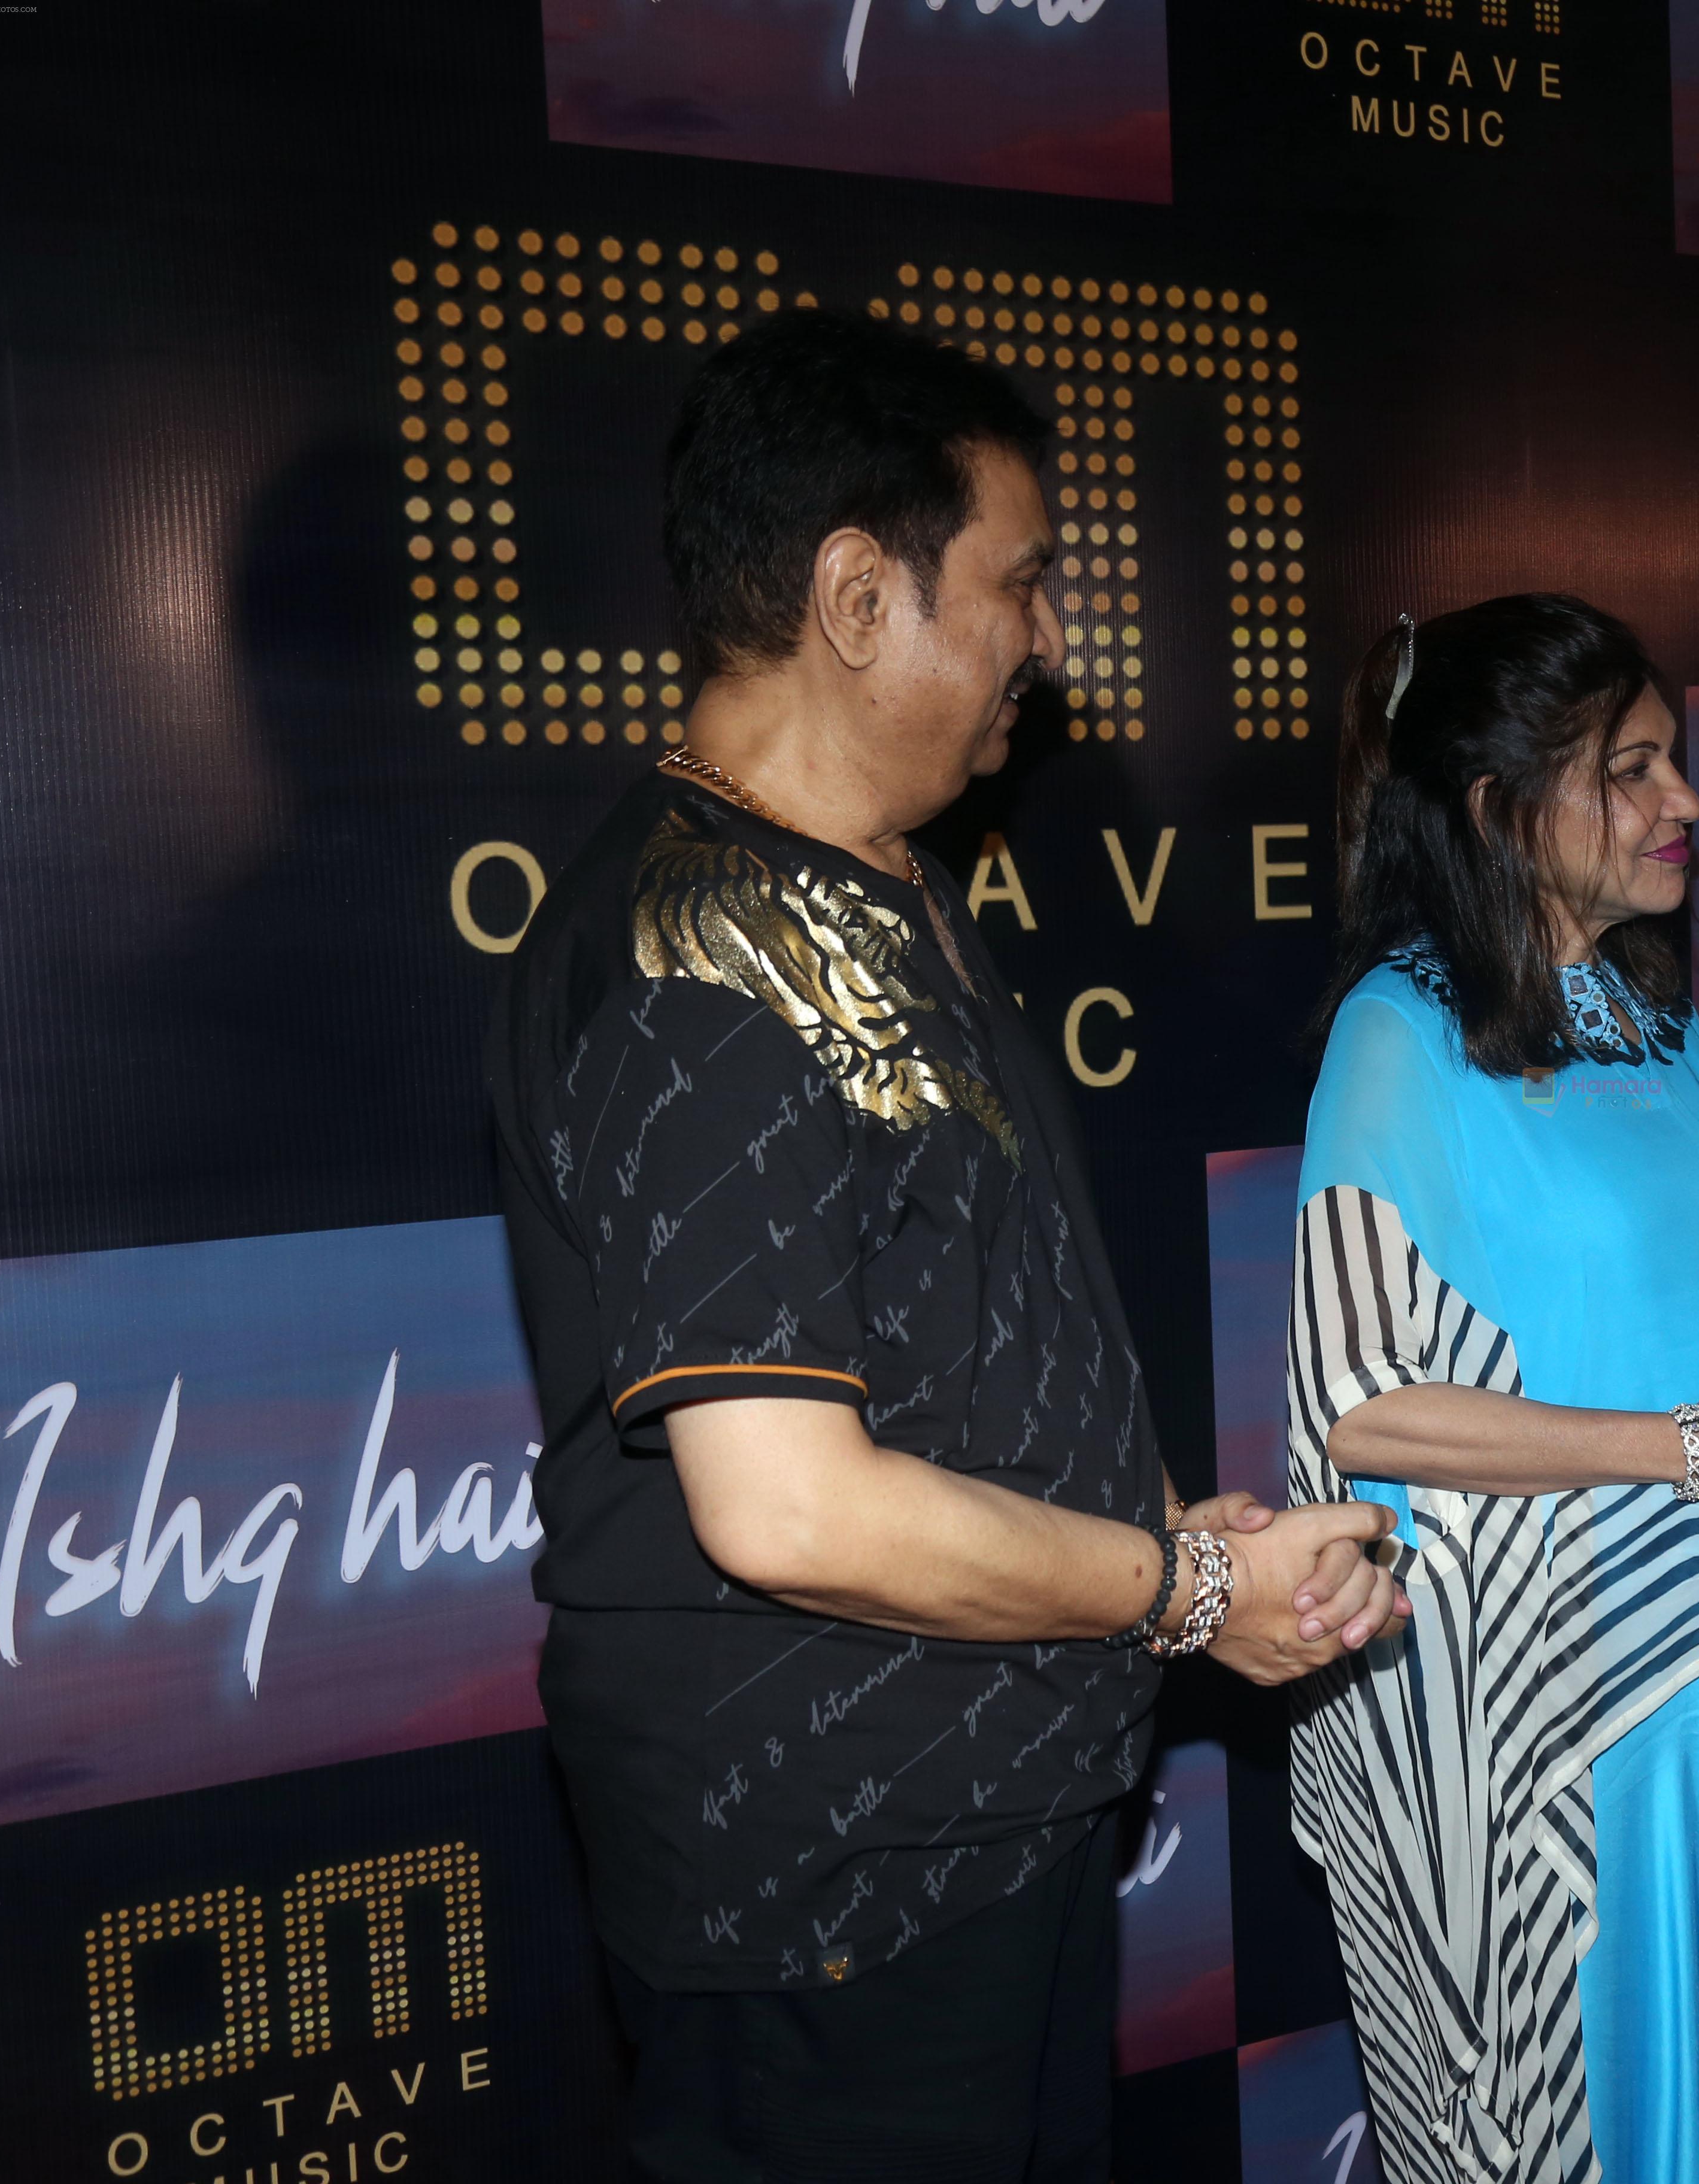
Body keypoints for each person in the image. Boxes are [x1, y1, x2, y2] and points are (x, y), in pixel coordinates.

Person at [487, 311, 1403, 2184]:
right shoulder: (699, 960)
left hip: (971, 1843)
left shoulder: (874, 873)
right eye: (1023, 581)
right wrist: (1183, 1599)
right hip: (830, 1887)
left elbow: (963, 1313)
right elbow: (788, 1512)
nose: (1052, 639)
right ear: (852, 596)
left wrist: (1167, 1541)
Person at [1284, 596, 1699, 2184]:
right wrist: (1696, 1443)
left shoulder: (1655, 1016)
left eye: (1672, 761)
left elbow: (1677, 1319)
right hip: (1581, 1720)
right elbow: (1363, 1405)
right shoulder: (1398, 1035)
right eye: (1628, 770)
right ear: (1497, 808)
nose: (1683, 802)